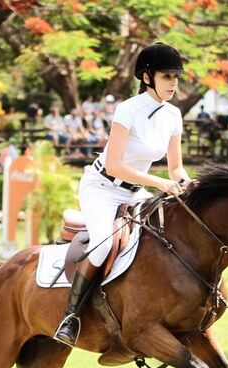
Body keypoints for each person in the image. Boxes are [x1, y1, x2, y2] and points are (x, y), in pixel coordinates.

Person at [54, 42, 189, 347]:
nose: (173, 83)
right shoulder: (127, 110)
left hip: (135, 193)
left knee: (165, 240)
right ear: (147, 77)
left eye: (176, 77)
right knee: (102, 246)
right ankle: (71, 316)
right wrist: (159, 183)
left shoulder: (173, 115)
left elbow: (176, 168)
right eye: (167, 76)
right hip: (102, 188)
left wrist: (188, 185)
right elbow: (115, 164)